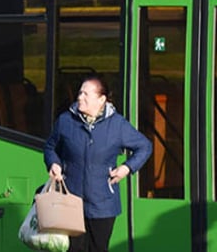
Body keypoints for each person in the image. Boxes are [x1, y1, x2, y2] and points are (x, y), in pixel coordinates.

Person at [44, 76, 151, 252]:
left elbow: (145, 146)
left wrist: (126, 168)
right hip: (70, 201)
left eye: (86, 94)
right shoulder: (65, 121)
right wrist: (53, 163)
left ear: (101, 100)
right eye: (79, 93)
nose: (80, 97)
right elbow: (50, 147)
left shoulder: (117, 125)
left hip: (103, 205)